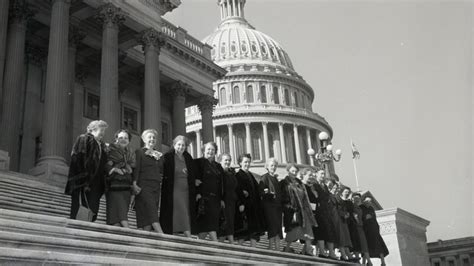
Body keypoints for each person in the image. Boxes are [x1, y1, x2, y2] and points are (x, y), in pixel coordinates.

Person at [65, 120, 108, 222]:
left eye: (104, 131)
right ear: (92, 130)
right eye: (101, 130)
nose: (103, 133)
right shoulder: (84, 139)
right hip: (83, 181)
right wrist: (82, 180)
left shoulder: (102, 145)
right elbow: (77, 158)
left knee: (93, 210)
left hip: (97, 183)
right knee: (80, 209)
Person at [161, 135, 196, 237]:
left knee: (184, 209)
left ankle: (177, 229)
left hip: (186, 189)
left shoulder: (188, 158)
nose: (181, 147)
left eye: (183, 145)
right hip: (174, 188)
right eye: (179, 144)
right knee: (181, 208)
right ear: (174, 145)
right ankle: (187, 232)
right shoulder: (168, 157)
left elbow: (193, 172)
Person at [280, 164, 317, 255]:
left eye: (296, 171)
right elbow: (283, 197)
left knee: (308, 230)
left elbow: (305, 197)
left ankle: (308, 249)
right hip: (293, 210)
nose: (294, 173)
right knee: (294, 230)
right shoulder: (284, 183)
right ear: (288, 171)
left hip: (304, 210)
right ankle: (287, 247)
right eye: (292, 171)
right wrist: (289, 207)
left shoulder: (300, 183)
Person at [133, 129, 164, 233]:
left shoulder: (159, 155)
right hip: (144, 185)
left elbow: (161, 171)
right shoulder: (139, 152)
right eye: (149, 137)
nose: (152, 139)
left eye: (154, 137)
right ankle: (162, 235)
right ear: (144, 139)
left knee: (148, 214)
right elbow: (137, 168)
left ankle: (145, 237)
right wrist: (134, 183)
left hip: (156, 186)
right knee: (152, 210)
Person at [194, 142, 225, 241]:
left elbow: (221, 184)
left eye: (212, 150)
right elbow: (196, 178)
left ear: (215, 152)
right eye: (208, 149)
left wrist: (221, 198)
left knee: (209, 224)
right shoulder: (198, 162)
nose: (210, 151)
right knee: (207, 223)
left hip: (215, 199)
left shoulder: (218, 166)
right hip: (203, 197)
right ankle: (216, 244)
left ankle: (199, 245)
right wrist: (197, 193)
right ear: (203, 150)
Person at [104, 129, 135, 228]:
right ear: (116, 139)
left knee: (118, 218)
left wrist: (127, 170)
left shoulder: (130, 153)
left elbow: (133, 168)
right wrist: (115, 169)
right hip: (114, 186)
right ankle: (128, 230)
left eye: (126, 138)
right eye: (120, 137)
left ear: (129, 141)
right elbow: (104, 164)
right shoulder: (109, 149)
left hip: (126, 187)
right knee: (118, 213)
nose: (123, 140)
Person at [234, 153, 265, 247]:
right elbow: (237, 191)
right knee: (243, 232)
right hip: (245, 207)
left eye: (248, 162)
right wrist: (240, 203)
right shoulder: (238, 175)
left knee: (254, 232)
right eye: (245, 162)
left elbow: (256, 189)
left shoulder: (250, 175)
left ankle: (254, 250)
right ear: (240, 163)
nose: (247, 164)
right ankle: (239, 251)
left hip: (253, 207)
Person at [310, 168, 337, 259]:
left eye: (323, 174)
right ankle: (321, 251)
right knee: (320, 232)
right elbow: (313, 199)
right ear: (316, 174)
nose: (323, 175)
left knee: (330, 232)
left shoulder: (324, 186)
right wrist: (314, 211)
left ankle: (331, 252)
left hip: (326, 211)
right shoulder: (314, 185)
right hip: (318, 211)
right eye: (321, 173)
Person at [259, 158, 283, 251]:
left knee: (278, 226)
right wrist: (268, 193)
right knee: (272, 226)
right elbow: (261, 191)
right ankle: (270, 246)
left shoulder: (275, 179)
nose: (273, 167)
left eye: (275, 166)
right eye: (271, 165)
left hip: (277, 206)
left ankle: (277, 247)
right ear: (267, 166)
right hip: (269, 206)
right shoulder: (264, 177)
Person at [217, 153, 238, 244]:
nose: (228, 162)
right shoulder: (219, 172)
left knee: (229, 222)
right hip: (223, 200)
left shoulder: (231, 173)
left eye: (229, 160)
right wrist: (221, 199)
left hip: (231, 201)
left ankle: (222, 243)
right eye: (225, 160)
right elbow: (218, 187)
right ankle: (231, 242)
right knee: (225, 221)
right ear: (220, 161)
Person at [361, 197, 389, 266]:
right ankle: (365, 262)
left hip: (374, 230)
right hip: (366, 230)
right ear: (364, 201)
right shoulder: (361, 207)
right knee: (365, 246)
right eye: (367, 200)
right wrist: (365, 217)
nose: (368, 202)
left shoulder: (371, 208)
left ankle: (383, 262)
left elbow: (374, 218)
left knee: (379, 245)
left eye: (370, 201)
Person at [352, 193, 371, 265]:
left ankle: (369, 262)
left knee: (364, 245)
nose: (357, 200)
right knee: (356, 244)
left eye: (358, 198)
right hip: (354, 227)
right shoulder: (351, 206)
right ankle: (358, 260)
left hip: (360, 227)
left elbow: (361, 218)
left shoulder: (360, 208)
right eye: (355, 198)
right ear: (352, 198)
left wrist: (365, 218)